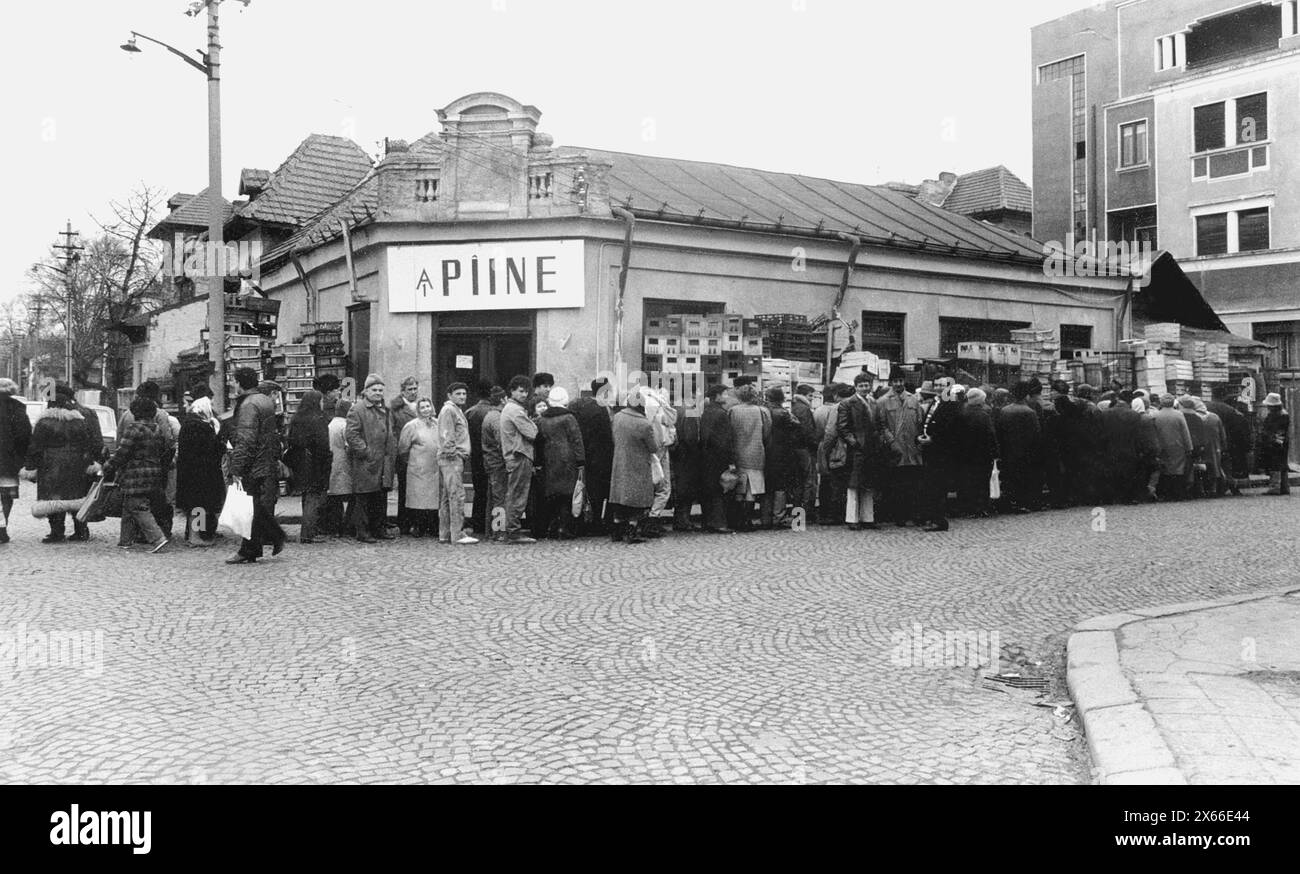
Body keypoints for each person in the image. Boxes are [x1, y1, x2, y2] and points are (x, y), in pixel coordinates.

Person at [23, 384, 97, 544]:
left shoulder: (44, 423)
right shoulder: (79, 422)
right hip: (77, 466)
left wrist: (30, 467)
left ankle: (57, 532)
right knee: (77, 498)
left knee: (53, 500)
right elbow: (88, 444)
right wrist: (90, 463)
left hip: (50, 467)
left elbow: (35, 447)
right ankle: (81, 530)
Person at [226, 367, 287, 563]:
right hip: (264, 460)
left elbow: (246, 439)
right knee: (255, 506)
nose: (232, 385)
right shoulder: (264, 400)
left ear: (240, 383)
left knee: (250, 508)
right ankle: (259, 544)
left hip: (253, 463)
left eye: (234, 381)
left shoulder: (248, 405)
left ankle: (253, 547)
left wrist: (237, 468)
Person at [101, 397, 169, 554]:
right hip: (153, 473)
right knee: (128, 506)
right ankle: (125, 541)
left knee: (138, 507)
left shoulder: (134, 429)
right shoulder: (156, 429)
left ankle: (158, 538)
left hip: (135, 474)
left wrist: (108, 467)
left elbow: (122, 453)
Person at [119, 380, 176, 538]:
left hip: (130, 468)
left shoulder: (126, 415)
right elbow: (168, 441)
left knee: (132, 502)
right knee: (157, 501)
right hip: (155, 467)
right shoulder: (160, 415)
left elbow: (120, 443)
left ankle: (132, 536)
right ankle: (159, 533)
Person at [346, 373, 398, 543]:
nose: (378, 393)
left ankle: (378, 528)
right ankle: (363, 531)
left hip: (384, 462)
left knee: (380, 497)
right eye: (374, 389)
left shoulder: (386, 409)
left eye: (380, 390)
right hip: (366, 462)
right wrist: (365, 452)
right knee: (364, 498)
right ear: (366, 391)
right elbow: (352, 434)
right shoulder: (358, 409)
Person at [609, 387, 660, 544]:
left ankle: (616, 531)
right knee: (636, 501)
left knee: (620, 498)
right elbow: (653, 447)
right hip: (638, 466)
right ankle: (632, 531)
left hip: (619, 463)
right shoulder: (644, 423)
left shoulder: (617, 417)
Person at [536, 386, 585, 539]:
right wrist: (581, 460)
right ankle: (565, 527)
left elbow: (540, 440)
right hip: (568, 459)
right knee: (568, 493)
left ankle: (554, 525)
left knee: (554, 493)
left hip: (550, 458)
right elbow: (576, 440)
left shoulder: (543, 418)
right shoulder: (569, 418)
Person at [175, 396, 225, 546]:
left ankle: (195, 535)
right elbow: (212, 449)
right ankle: (195, 537)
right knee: (198, 506)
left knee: (196, 506)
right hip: (201, 473)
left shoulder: (189, 424)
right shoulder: (201, 427)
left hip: (190, 471)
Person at [875, 374, 924, 526]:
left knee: (913, 484)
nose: (898, 384)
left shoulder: (913, 400)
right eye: (895, 381)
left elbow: (919, 422)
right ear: (891, 382)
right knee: (896, 485)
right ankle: (899, 516)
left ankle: (913, 514)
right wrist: (891, 442)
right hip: (895, 449)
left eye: (900, 381)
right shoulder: (882, 401)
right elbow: (881, 425)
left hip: (912, 449)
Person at [836, 373, 882, 530]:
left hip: (872, 448)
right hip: (856, 450)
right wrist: (854, 443)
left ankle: (868, 518)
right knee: (854, 485)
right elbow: (842, 427)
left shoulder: (874, 403)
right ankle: (852, 518)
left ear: (871, 386)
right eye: (861, 385)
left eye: (867, 385)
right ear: (855, 387)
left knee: (869, 485)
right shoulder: (847, 404)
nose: (864, 388)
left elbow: (879, 424)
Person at [917, 382, 964, 532]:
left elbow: (951, 430)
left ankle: (939, 520)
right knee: (931, 486)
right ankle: (932, 518)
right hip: (929, 450)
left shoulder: (950, 404)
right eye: (936, 385)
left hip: (941, 452)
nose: (938, 388)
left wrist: (933, 439)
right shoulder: (934, 402)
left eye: (942, 385)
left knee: (938, 487)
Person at [571, 378, 615, 533]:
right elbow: (607, 436)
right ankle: (598, 522)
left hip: (586, 453)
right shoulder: (602, 409)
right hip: (601, 456)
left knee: (588, 488)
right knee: (602, 491)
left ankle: (586, 521)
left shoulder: (582, 406)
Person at [287, 390, 331, 543]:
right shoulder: (318, 419)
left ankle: (307, 531)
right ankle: (308, 533)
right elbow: (323, 444)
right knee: (313, 497)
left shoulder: (297, 419)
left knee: (307, 497)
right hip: (315, 463)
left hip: (301, 463)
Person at [726, 382, 770, 532]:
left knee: (740, 487)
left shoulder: (732, 411)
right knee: (752, 488)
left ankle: (737, 520)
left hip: (737, 452)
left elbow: (728, 432)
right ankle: (747, 520)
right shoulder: (761, 411)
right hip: (756, 452)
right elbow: (767, 433)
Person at [500, 375, 539, 544]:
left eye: (526, 392)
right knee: (518, 494)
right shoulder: (515, 410)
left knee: (515, 493)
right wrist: (533, 423)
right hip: (519, 455)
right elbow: (532, 432)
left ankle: (512, 530)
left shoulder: (511, 408)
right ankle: (513, 532)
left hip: (514, 455)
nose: (524, 395)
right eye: (521, 391)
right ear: (512, 391)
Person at [437, 382, 477, 544]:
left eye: (464, 393)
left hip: (451, 457)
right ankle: (457, 534)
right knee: (457, 495)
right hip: (451, 458)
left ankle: (445, 533)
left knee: (448, 497)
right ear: (450, 395)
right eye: (458, 393)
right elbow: (447, 435)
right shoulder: (449, 410)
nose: (462, 396)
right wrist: (453, 453)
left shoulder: (455, 410)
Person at [397, 397, 441, 538]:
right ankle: (418, 527)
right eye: (422, 407)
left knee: (433, 498)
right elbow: (403, 448)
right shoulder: (411, 426)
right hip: (418, 468)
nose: (426, 409)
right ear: (418, 410)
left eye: (428, 406)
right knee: (418, 498)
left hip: (433, 467)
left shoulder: (437, 424)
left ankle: (433, 526)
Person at [995, 382, 1041, 513]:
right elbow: (1036, 434)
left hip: (1007, 451)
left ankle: (1008, 503)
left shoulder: (1004, 411)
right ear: (1026, 396)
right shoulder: (1030, 412)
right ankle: (1021, 503)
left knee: (1009, 478)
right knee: (1023, 478)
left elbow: (999, 431)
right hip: (1025, 452)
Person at [696, 383, 736, 533]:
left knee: (709, 490)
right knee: (720, 491)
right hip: (719, 458)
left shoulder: (706, 411)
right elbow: (725, 440)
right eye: (725, 393)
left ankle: (707, 522)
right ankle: (719, 523)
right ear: (717, 396)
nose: (726, 396)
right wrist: (731, 461)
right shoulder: (721, 413)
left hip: (706, 457)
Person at [954, 387, 998, 517]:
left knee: (966, 480)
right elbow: (991, 435)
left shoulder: (961, 413)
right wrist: (995, 453)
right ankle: (980, 508)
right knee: (982, 482)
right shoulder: (984, 416)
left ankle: (966, 507)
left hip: (965, 454)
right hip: (982, 455)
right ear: (980, 401)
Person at [1097, 387, 1145, 505]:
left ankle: (1112, 497)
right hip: (1129, 450)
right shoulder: (1134, 415)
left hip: (1110, 449)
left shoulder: (1105, 414)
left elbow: (1100, 434)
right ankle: (1128, 498)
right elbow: (1138, 436)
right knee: (1129, 473)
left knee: (1112, 472)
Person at [761, 386, 799, 529]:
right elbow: (797, 428)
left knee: (767, 487)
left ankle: (765, 519)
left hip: (766, 452)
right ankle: (779, 517)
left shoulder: (764, 412)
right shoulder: (783, 413)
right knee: (780, 487)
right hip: (782, 454)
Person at [815, 383, 853, 525]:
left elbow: (825, 433)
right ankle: (838, 513)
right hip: (840, 449)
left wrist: (824, 448)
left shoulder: (819, 411)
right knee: (839, 481)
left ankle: (825, 512)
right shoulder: (846, 408)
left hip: (826, 447)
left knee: (826, 481)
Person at [0, 378, 32, 544]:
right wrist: (22, 459)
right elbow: (24, 436)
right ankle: (2, 529)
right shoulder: (18, 408)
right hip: (8, 462)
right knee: (6, 496)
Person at [389, 376, 420, 535]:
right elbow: (392, 432)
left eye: (415, 389)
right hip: (404, 455)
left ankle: (418, 522)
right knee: (405, 489)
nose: (413, 392)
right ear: (403, 391)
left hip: (420, 455)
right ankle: (404, 523)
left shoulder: (421, 406)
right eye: (410, 389)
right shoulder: (396, 409)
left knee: (418, 489)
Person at [465, 381, 496, 536]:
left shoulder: (470, 412)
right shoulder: (494, 413)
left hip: (476, 456)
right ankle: (488, 524)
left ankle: (477, 523)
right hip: (491, 456)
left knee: (479, 490)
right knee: (492, 491)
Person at [1151, 393, 1193, 501]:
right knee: (1178, 469)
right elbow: (1185, 432)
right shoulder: (1179, 414)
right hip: (1177, 445)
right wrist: (1189, 447)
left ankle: (1166, 494)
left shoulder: (1156, 415)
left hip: (1162, 445)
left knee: (1165, 469)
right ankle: (1178, 493)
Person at [1206, 387, 1248, 495]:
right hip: (1224, 441)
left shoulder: (1205, 406)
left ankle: (1215, 487)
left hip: (1208, 441)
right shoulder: (1229, 410)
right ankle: (1232, 487)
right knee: (1226, 465)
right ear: (1224, 396)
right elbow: (1239, 426)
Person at [480, 388, 508, 540]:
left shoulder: (490, 415)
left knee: (494, 497)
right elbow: (501, 441)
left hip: (491, 462)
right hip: (497, 463)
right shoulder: (496, 417)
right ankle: (499, 531)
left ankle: (491, 531)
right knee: (500, 498)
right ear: (503, 400)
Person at [326, 399, 356, 538]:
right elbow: (349, 446)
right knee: (351, 496)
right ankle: (347, 526)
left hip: (333, 462)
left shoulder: (331, 424)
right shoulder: (345, 425)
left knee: (334, 498)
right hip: (344, 463)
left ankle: (334, 527)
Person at [789, 384, 818, 517]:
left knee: (798, 483)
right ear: (804, 395)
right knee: (808, 482)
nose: (812, 398)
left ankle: (797, 514)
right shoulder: (805, 409)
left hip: (795, 449)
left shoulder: (794, 407)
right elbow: (807, 431)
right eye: (810, 395)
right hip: (805, 449)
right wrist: (814, 444)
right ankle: (805, 513)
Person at [1258, 393, 1291, 495]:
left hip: (1276, 443)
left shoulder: (1278, 416)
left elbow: (1276, 431)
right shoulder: (1283, 414)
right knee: (1282, 464)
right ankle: (1284, 486)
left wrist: (1271, 440)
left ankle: (1275, 487)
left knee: (1275, 464)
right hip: (1281, 442)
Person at [1177, 395, 1209, 499]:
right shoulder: (1197, 417)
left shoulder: (1180, 416)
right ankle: (1197, 489)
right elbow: (1202, 434)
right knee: (1192, 468)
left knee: (1186, 469)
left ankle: (1187, 489)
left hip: (1184, 446)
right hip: (1197, 446)